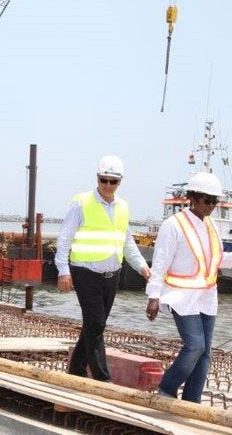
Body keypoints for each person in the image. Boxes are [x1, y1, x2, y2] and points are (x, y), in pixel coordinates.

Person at [55, 155, 151, 382]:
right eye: (103, 180)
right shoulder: (81, 202)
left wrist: (142, 268)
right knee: (96, 325)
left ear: (120, 182)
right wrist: (63, 270)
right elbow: (64, 238)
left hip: (112, 275)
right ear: (97, 178)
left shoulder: (123, 207)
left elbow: (127, 242)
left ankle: (76, 370)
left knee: (93, 326)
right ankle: (102, 379)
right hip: (85, 272)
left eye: (113, 181)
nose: (107, 185)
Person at [145, 172, 232, 402]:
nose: (212, 205)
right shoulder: (173, 225)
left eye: (215, 200)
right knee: (194, 346)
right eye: (207, 200)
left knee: (205, 354)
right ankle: (167, 388)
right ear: (193, 197)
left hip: (206, 297)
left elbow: (217, 258)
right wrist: (154, 296)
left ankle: (191, 401)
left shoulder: (211, 225)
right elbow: (160, 262)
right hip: (180, 297)